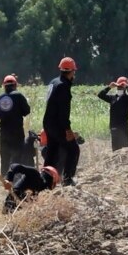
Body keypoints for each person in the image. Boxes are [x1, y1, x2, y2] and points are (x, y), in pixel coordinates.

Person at [43, 57, 80, 186]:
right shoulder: (64, 86)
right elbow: (63, 112)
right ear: (72, 72)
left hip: (48, 123)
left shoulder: (54, 82)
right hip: (58, 124)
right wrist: (68, 130)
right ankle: (67, 179)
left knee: (52, 151)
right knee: (73, 149)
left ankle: (45, 180)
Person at [0, 74, 31, 173]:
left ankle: (5, 179)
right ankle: (15, 177)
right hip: (17, 131)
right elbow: (27, 111)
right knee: (17, 156)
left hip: (4, 132)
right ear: (15, 85)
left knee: (4, 157)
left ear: (4, 86)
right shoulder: (19, 96)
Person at [97, 76, 128, 151]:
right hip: (114, 127)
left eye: (121, 87)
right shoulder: (112, 98)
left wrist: (127, 87)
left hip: (123, 128)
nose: (120, 88)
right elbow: (100, 95)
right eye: (118, 87)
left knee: (125, 149)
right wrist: (109, 87)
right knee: (115, 150)